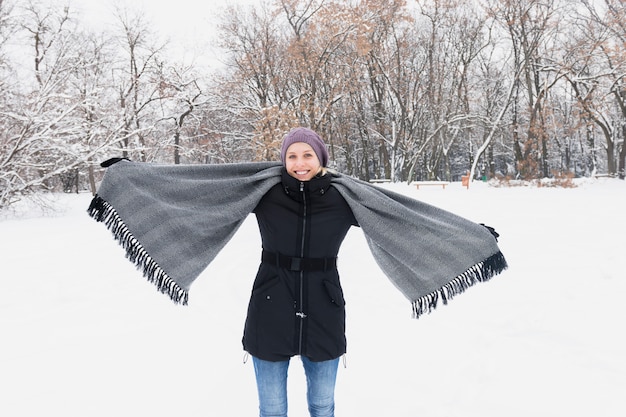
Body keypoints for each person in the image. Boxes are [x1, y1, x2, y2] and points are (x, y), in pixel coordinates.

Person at [243, 127, 357, 417]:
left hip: (324, 308)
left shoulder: (343, 196)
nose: (300, 163)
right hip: (270, 305)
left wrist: (468, 236)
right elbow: (202, 191)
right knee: (272, 409)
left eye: (307, 155)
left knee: (322, 405)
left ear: (320, 158)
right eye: (291, 156)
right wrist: (133, 178)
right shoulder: (265, 192)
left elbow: (400, 215)